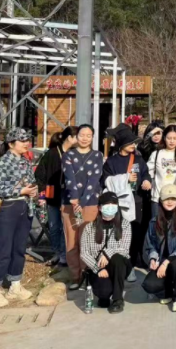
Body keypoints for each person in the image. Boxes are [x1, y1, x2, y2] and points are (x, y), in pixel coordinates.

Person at [0, 128, 39, 308]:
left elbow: (31, 182)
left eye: (27, 140)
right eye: (22, 140)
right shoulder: (3, 163)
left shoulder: (25, 161)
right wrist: (20, 190)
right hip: (7, 208)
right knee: (3, 248)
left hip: (24, 207)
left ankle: (15, 284)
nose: (26, 143)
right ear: (11, 144)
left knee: (19, 248)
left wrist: (33, 191)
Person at [101, 125, 151, 279]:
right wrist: (125, 178)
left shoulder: (138, 159)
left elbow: (145, 173)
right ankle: (121, 263)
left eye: (134, 143)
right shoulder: (111, 162)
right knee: (119, 234)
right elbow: (105, 181)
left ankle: (132, 263)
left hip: (137, 201)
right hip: (119, 203)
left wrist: (147, 181)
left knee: (135, 234)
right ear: (121, 143)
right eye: (130, 143)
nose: (133, 145)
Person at [61, 124, 105, 290]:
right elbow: (69, 178)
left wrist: (82, 202)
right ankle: (75, 276)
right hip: (69, 203)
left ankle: (88, 275)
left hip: (90, 203)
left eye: (88, 135)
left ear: (93, 137)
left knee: (87, 240)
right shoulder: (68, 155)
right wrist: (74, 199)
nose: (85, 138)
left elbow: (94, 180)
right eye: (81, 135)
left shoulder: (97, 155)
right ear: (76, 137)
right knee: (71, 241)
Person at [142, 185, 176, 312]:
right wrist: (153, 259)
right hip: (162, 264)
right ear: (161, 200)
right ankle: (168, 292)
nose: (170, 201)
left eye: (173, 198)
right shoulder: (154, 222)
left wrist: (166, 262)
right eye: (166, 198)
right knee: (149, 285)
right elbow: (150, 245)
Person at [80, 192, 132, 313]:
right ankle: (104, 295)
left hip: (118, 266)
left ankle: (118, 299)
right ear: (99, 207)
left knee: (118, 258)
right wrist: (97, 269)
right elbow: (84, 253)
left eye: (113, 204)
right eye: (107, 204)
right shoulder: (89, 228)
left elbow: (124, 249)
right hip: (98, 266)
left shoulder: (125, 225)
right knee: (103, 292)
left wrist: (107, 254)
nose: (110, 207)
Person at [35, 126, 78, 269]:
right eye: (78, 136)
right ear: (70, 138)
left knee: (66, 227)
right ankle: (57, 253)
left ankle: (65, 256)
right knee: (54, 227)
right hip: (52, 196)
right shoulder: (52, 154)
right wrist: (42, 194)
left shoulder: (76, 154)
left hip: (69, 197)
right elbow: (40, 174)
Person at [147, 125, 176, 218]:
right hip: (158, 198)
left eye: (175, 138)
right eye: (169, 138)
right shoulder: (156, 154)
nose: (172, 141)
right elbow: (148, 172)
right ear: (164, 138)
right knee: (157, 224)